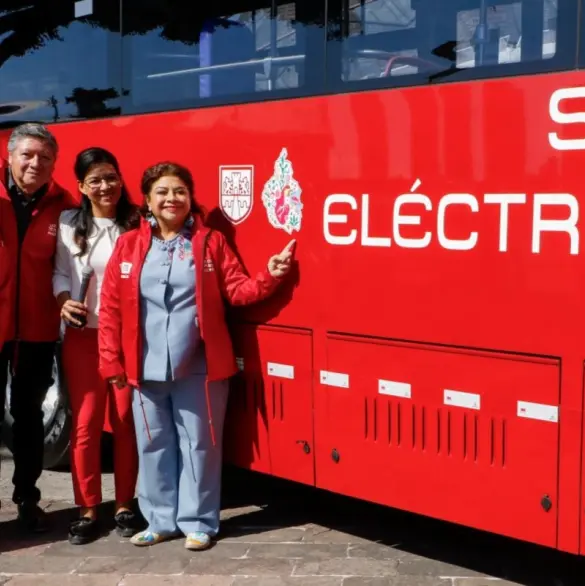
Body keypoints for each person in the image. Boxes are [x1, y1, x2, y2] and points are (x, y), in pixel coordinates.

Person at [98, 162, 295, 550]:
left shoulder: (211, 242)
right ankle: (159, 520)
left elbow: (237, 291)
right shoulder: (129, 245)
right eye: (163, 192)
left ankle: (199, 522)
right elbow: (110, 309)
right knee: (152, 445)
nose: (172, 199)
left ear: (190, 198)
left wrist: (271, 274)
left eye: (180, 192)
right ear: (148, 202)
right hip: (143, 367)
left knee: (200, 445)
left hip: (200, 367)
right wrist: (111, 360)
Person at [53, 147, 142, 544]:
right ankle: (87, 508)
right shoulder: (69, 222)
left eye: (111, 177)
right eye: (96, 180)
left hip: (127, 338)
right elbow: (59, 272)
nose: (105, 186)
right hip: (84, 336)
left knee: (126, 423)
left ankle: (125, 504)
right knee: (86, 424)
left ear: (121, 179)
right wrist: (62, 299)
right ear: (82, 187)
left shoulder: (140, 223)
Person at [0, 123, 73, 531]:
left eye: (45, 157)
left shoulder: (63, 205)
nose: (35, 163)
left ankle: (27, 498)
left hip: (36, 330)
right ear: (9, 156)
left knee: (28, 418)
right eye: (27, 154)